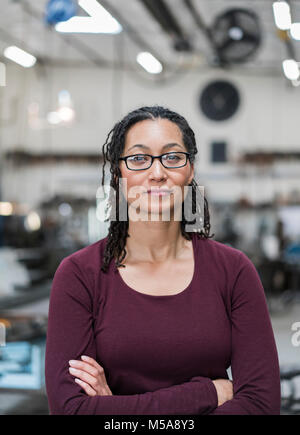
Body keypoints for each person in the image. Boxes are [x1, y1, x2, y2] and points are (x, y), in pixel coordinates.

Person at [45, 106, 281, 415]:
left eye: (172, 158)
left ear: (190, 170)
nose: (157, 173)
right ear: (119, 174)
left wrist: (114, 407)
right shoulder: (80, 274)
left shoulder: (233, 271)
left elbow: (261, 405)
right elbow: (70, 410)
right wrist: (207, 391)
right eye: (139, 159)